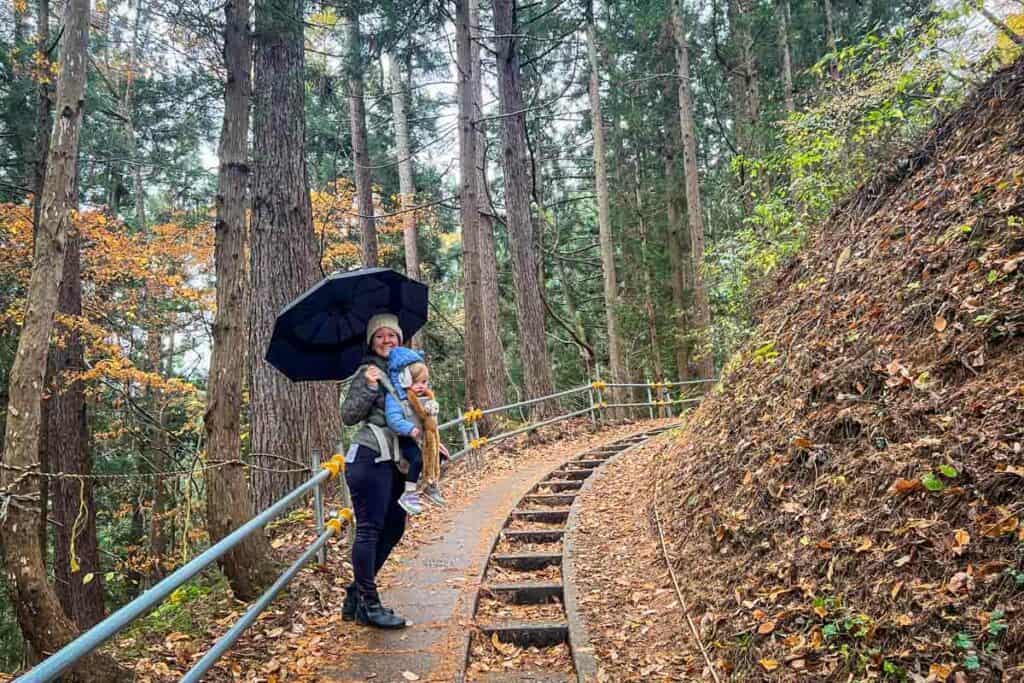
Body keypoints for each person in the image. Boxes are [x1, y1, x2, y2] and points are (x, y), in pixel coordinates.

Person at [339, 313, 409, 629]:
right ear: (371, 341)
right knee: (369, 528)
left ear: (400, 339)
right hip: (369, 457)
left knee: (395, 526)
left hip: (394, 461)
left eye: (391, 336)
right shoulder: (366, 372)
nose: (386, 341)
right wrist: (368, 386)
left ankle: (356, 594)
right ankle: (369, 602)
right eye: (380, 336)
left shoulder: (402, 373)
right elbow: (348, 415)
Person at [383, 347, 446, 515]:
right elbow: (393, 419)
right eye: (416, 382)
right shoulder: (396, 397)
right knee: (417, 459)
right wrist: (409, 428)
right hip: (407, 438)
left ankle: (429, 483)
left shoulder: (425, 397)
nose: (421, 387)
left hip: (423, 437)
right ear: (404, 378)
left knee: (436, 456)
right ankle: (409, 493)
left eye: (424, 383)